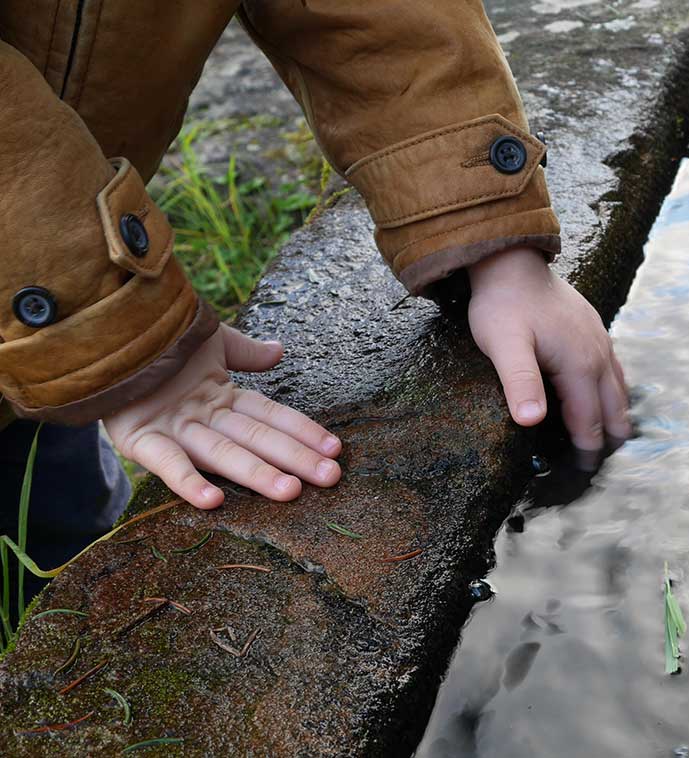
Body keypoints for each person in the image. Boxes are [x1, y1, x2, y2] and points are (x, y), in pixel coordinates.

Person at [0, 2, 629, 604]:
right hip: (39, 280)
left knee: (60, 533)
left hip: (35, 317)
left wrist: (483, 218)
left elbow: (376, 16)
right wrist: (104, 327)